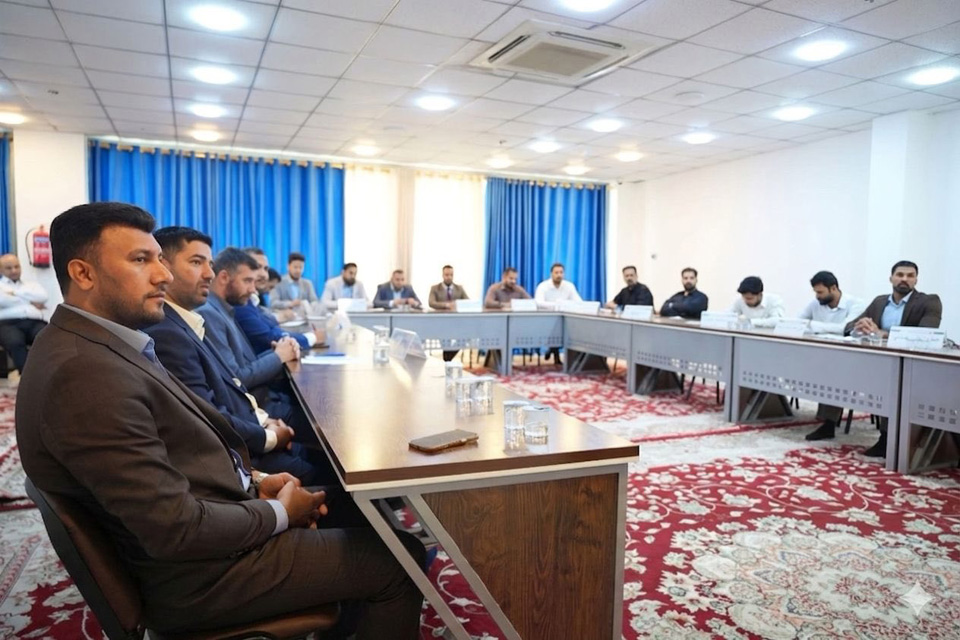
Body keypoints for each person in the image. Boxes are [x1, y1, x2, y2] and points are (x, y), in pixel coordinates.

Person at [16, 202, 424, 638]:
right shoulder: (83, 373)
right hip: (200, 578)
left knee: (357, 518)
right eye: (141, 260)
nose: (163, 275)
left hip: (211, 535)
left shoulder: (100, 346)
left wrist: (254, 482)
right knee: (401, 559)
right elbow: (174, 529)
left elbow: (175, 454)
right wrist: (277, 512)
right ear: (83, 274)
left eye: (159, 259)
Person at [146, 227, 331, 484]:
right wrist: (269, 436)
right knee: (328, 458)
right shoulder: (174, 328)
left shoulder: (194, 318)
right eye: (197, 262)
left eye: (209, 264)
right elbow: (210, 413)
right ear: (163, 267)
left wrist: (264, 422)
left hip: (252, 425)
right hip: (241, 454)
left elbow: (228, 387)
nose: (209, 274)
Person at [197, 249, 309, 437]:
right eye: (247, 281)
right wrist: (278, 356)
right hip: (256, 409)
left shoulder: (225, 308)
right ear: (224, 277)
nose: (253, 289)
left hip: (264, 400)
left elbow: (244, 363)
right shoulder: (210, 313)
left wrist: (281, 350)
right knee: (325, 422)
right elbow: (237, 378)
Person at [840, 260, 942, 457]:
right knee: (836, 368)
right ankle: (827, 423)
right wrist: (859, 327)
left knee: (891, 385)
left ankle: (888, 439)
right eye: (900, 275)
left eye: (910, 276)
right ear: (891, 278)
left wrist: (883, 334)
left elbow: (926, 334)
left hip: (912, 366)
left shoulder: (929, 301)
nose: (904, 279)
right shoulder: (880, 302)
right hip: (877, 362)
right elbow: (849, 326)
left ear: (916, 280)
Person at [802, 271, 868, 442]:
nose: (817, 296)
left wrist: (813, 325)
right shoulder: (816, 303)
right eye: (816, 292)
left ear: (833, 288)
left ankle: (829, 423)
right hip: (822, 355)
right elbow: (799, 322)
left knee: (833, 374)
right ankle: (826, 419)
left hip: (852, 358)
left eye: (820, 292)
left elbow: (846, 328)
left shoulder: (856, 304)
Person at [0, 253, 48, 376]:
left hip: (34, 322)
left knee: (48, 338)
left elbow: (43, 297)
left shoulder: (31, 284)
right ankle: (29, 377)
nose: (14, 270)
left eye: (16, 266)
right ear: (1, 270)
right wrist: (30, 301)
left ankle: (47, 375)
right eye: (9, 268)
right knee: (15, 342)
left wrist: (14, 294)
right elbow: (3, 301)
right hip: (7, 324)